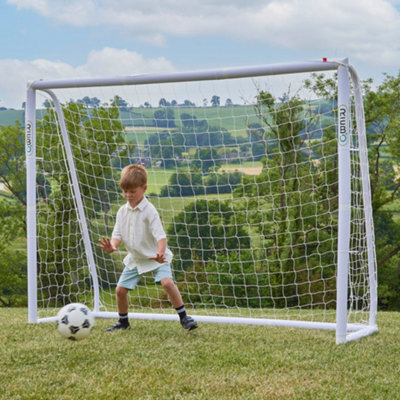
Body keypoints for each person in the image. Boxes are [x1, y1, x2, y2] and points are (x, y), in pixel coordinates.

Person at [98, 164, 198, 332]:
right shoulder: (122, 211)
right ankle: (123, 322)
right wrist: (112, 246)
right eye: (125, 191)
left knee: (167, 283)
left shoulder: (149, 210)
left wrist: (160, 252)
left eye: (132, 191)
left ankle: (184, 318)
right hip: (136, 258)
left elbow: (161, 236)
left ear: (144, 188)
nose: (128, 195)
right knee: (120, 290)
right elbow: (117, 235)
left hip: (156, 256)